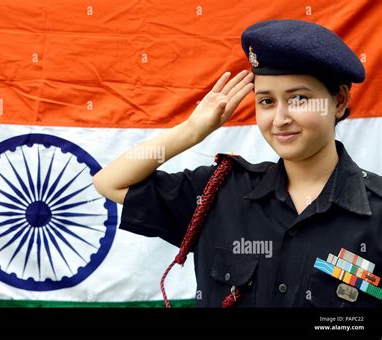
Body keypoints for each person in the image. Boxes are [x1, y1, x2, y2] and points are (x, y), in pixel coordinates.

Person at [93, 19, 382, 307]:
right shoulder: (216, 193)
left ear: (340, 101)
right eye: (266, 101)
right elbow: (110, 181)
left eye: (298, 99)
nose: (280, 119)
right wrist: (192, 131)